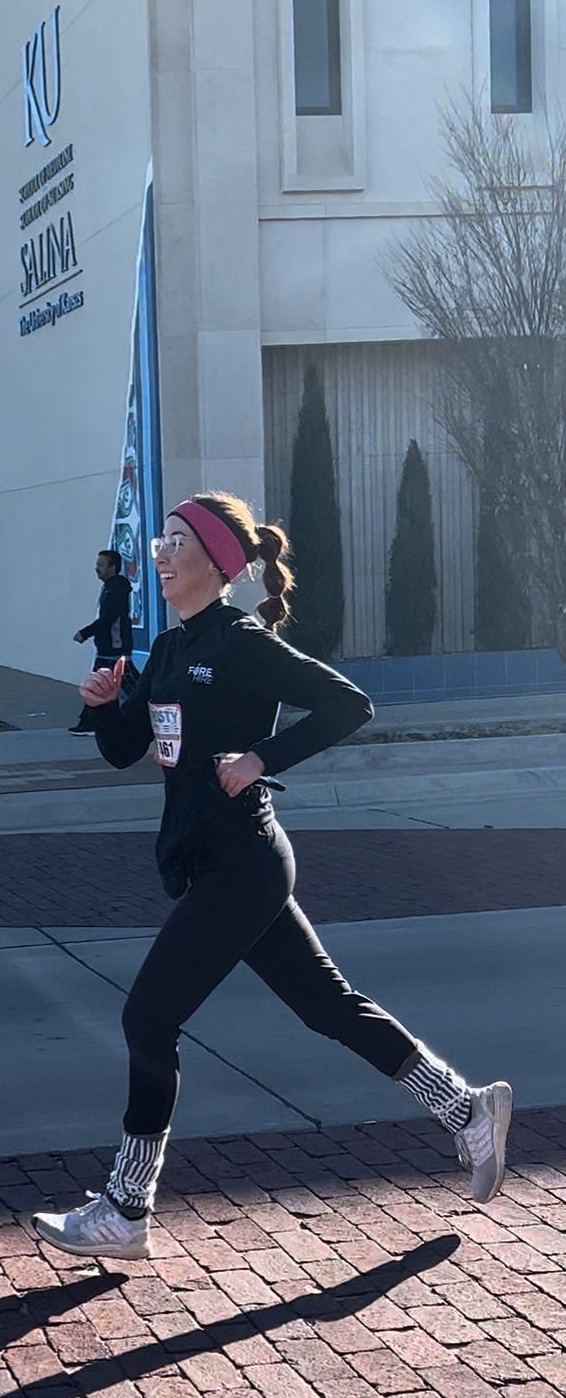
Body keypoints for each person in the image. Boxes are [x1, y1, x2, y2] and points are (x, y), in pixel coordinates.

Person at [34, 492, 511, 1263]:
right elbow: (129, 749)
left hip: (243, 865)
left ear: (218, 562)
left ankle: (125, 1209)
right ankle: (464, 1110)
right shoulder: (164, 648)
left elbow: (345, 704)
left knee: (146, 1021)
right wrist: (101, 707)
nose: (160, 551)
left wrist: (262, 758)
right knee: (328, 1006)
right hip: (216, 866)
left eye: (178, 540)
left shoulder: (241, 642)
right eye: (160, 537)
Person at [70, 548, 133, 731]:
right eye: (97, 564)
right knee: (124, 684)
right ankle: (89, 722)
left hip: (114, 647)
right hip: (109, 647)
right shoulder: (111, 588)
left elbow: (108, 619)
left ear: (112, 568)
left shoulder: (117, 590)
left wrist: (85, 633)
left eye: (101, 565)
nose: (96, 568)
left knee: (103, 684)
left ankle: (89, 723)